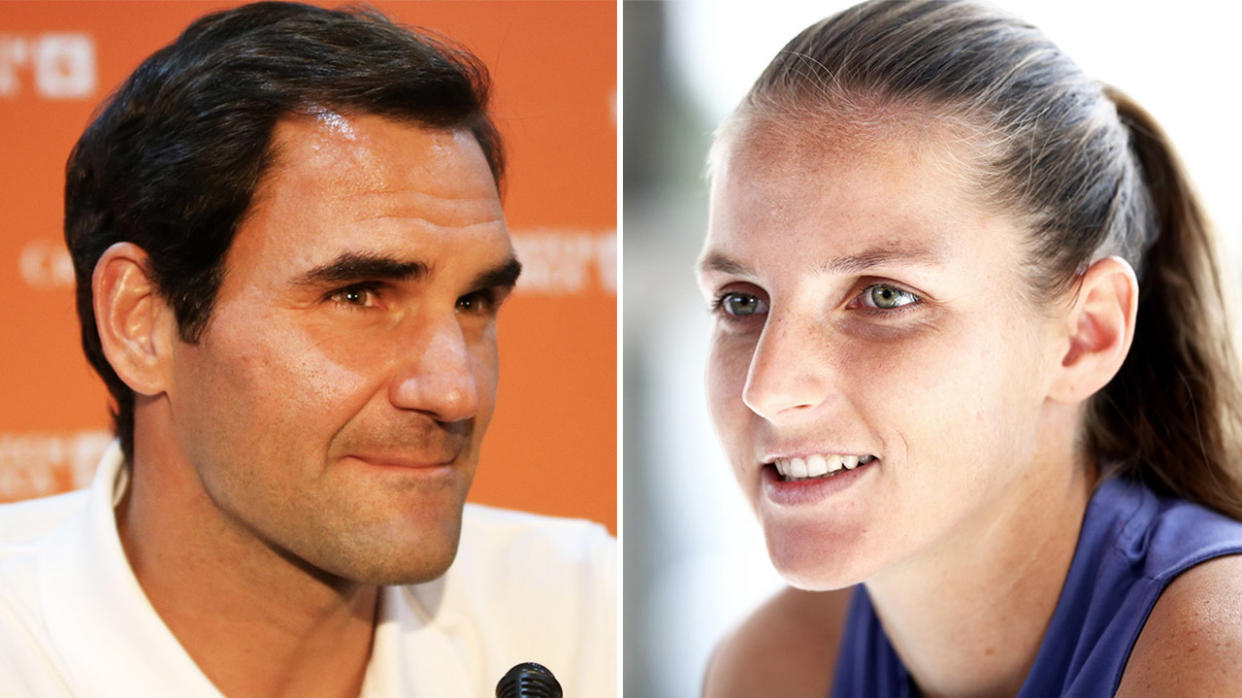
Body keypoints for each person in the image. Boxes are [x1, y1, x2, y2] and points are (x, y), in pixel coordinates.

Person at [0, 3, 615, 697]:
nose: (456, 391)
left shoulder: (586, 615)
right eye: (359, 295)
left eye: (473, 302)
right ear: (142, 321)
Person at [696, 0, 1242, 695]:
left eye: (885, 295)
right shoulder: (773, 668)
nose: (768, 386)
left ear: (1084, 336)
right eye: (741, 301)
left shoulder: (1218, 661)